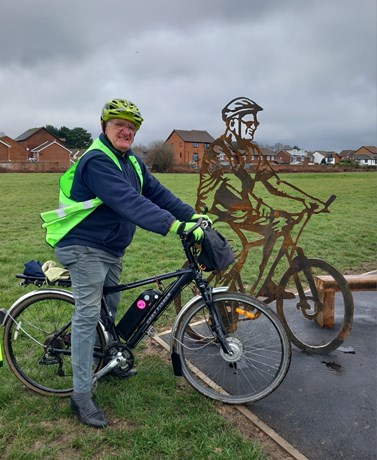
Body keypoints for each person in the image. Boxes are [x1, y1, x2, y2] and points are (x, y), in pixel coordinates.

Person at [41, 98, 207, 428]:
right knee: (89, 314)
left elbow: (159, 194)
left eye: (132, 127)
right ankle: (81, 393)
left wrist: (193, 215)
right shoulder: (96, 161)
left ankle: (108, 360)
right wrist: (173, 226)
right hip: (83, 245)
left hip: (111, 248)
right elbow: (128, 201)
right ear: (104, 127)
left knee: (109, 310)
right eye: (120, 124)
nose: (126, 130)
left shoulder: (131, 161)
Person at [196, 97, 326, 296]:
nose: (253, 126)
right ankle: (222, 300)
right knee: (239, 248)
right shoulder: (217, 150)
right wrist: (260, 206)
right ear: (232, 123)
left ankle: (264, 283)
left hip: (242, 211)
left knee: (282, 224)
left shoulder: (251, 150)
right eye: (249, 122)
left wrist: (306, 199)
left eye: (255, 122)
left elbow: (274, 183)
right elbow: (229, 183)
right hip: (216, 214)